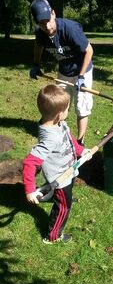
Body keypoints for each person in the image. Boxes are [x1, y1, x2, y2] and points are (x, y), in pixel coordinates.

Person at [22, 84, 91, 244]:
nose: (68, 111)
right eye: (67, 108)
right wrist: (30, 190)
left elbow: (70, 140)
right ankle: (53, 236)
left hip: (68, 169)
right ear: (59, 114)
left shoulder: (59, 124)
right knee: (63, 208)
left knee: (68, 191)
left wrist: (81, 151)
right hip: (59, 178)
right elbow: (30, 163)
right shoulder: (49, 138)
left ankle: (65, 198)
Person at [29, 0, 94, 146]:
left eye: (48, 20)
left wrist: (82, 76)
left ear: (53, 13)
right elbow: (38, 46)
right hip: (64, 71)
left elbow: (89, 51)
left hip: (82, 70)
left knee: (82, 106)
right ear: (37, 23)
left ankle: (80, 141)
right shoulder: (41, 33)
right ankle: (58, 136)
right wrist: (36, 64)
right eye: (42, 23)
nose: (47, 26)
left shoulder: (70, 29)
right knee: (58, 104)